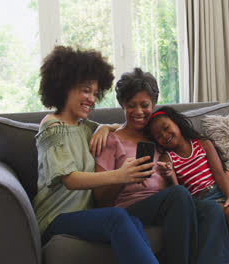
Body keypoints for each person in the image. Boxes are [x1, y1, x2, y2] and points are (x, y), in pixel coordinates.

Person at [33, 46, 158, 264]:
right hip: (55, 218)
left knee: (133, 221)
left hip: (85, 216)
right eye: (85, 90)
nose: (91, 99)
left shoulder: (85, 127)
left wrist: (105, 127)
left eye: (94, 92)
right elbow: (70, 179)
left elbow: (119, 126)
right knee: (117, 217)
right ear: (64, 87)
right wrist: (121, 175)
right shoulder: (51, 126)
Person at [94, 68, 229, 264]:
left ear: (154, 104)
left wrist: (228, 174)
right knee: (178, 194)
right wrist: (123, 177)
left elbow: (197, 156)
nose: (139, 112)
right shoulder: (112, 141)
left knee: (212, 209)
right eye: (131, 105)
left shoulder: (159, 136)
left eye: (145, 105)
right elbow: (100, 200)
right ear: (122, 105)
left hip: (171, 206)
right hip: (131, 209)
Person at [145, 106, 229, 261]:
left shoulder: (203, 143)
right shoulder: (167, 158)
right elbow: (177, 193)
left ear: (177, 123)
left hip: (223, 188)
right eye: (158, 136)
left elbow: (219, 174)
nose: (165, 135)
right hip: (203, 200)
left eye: (166, 128)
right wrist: (169, 175)